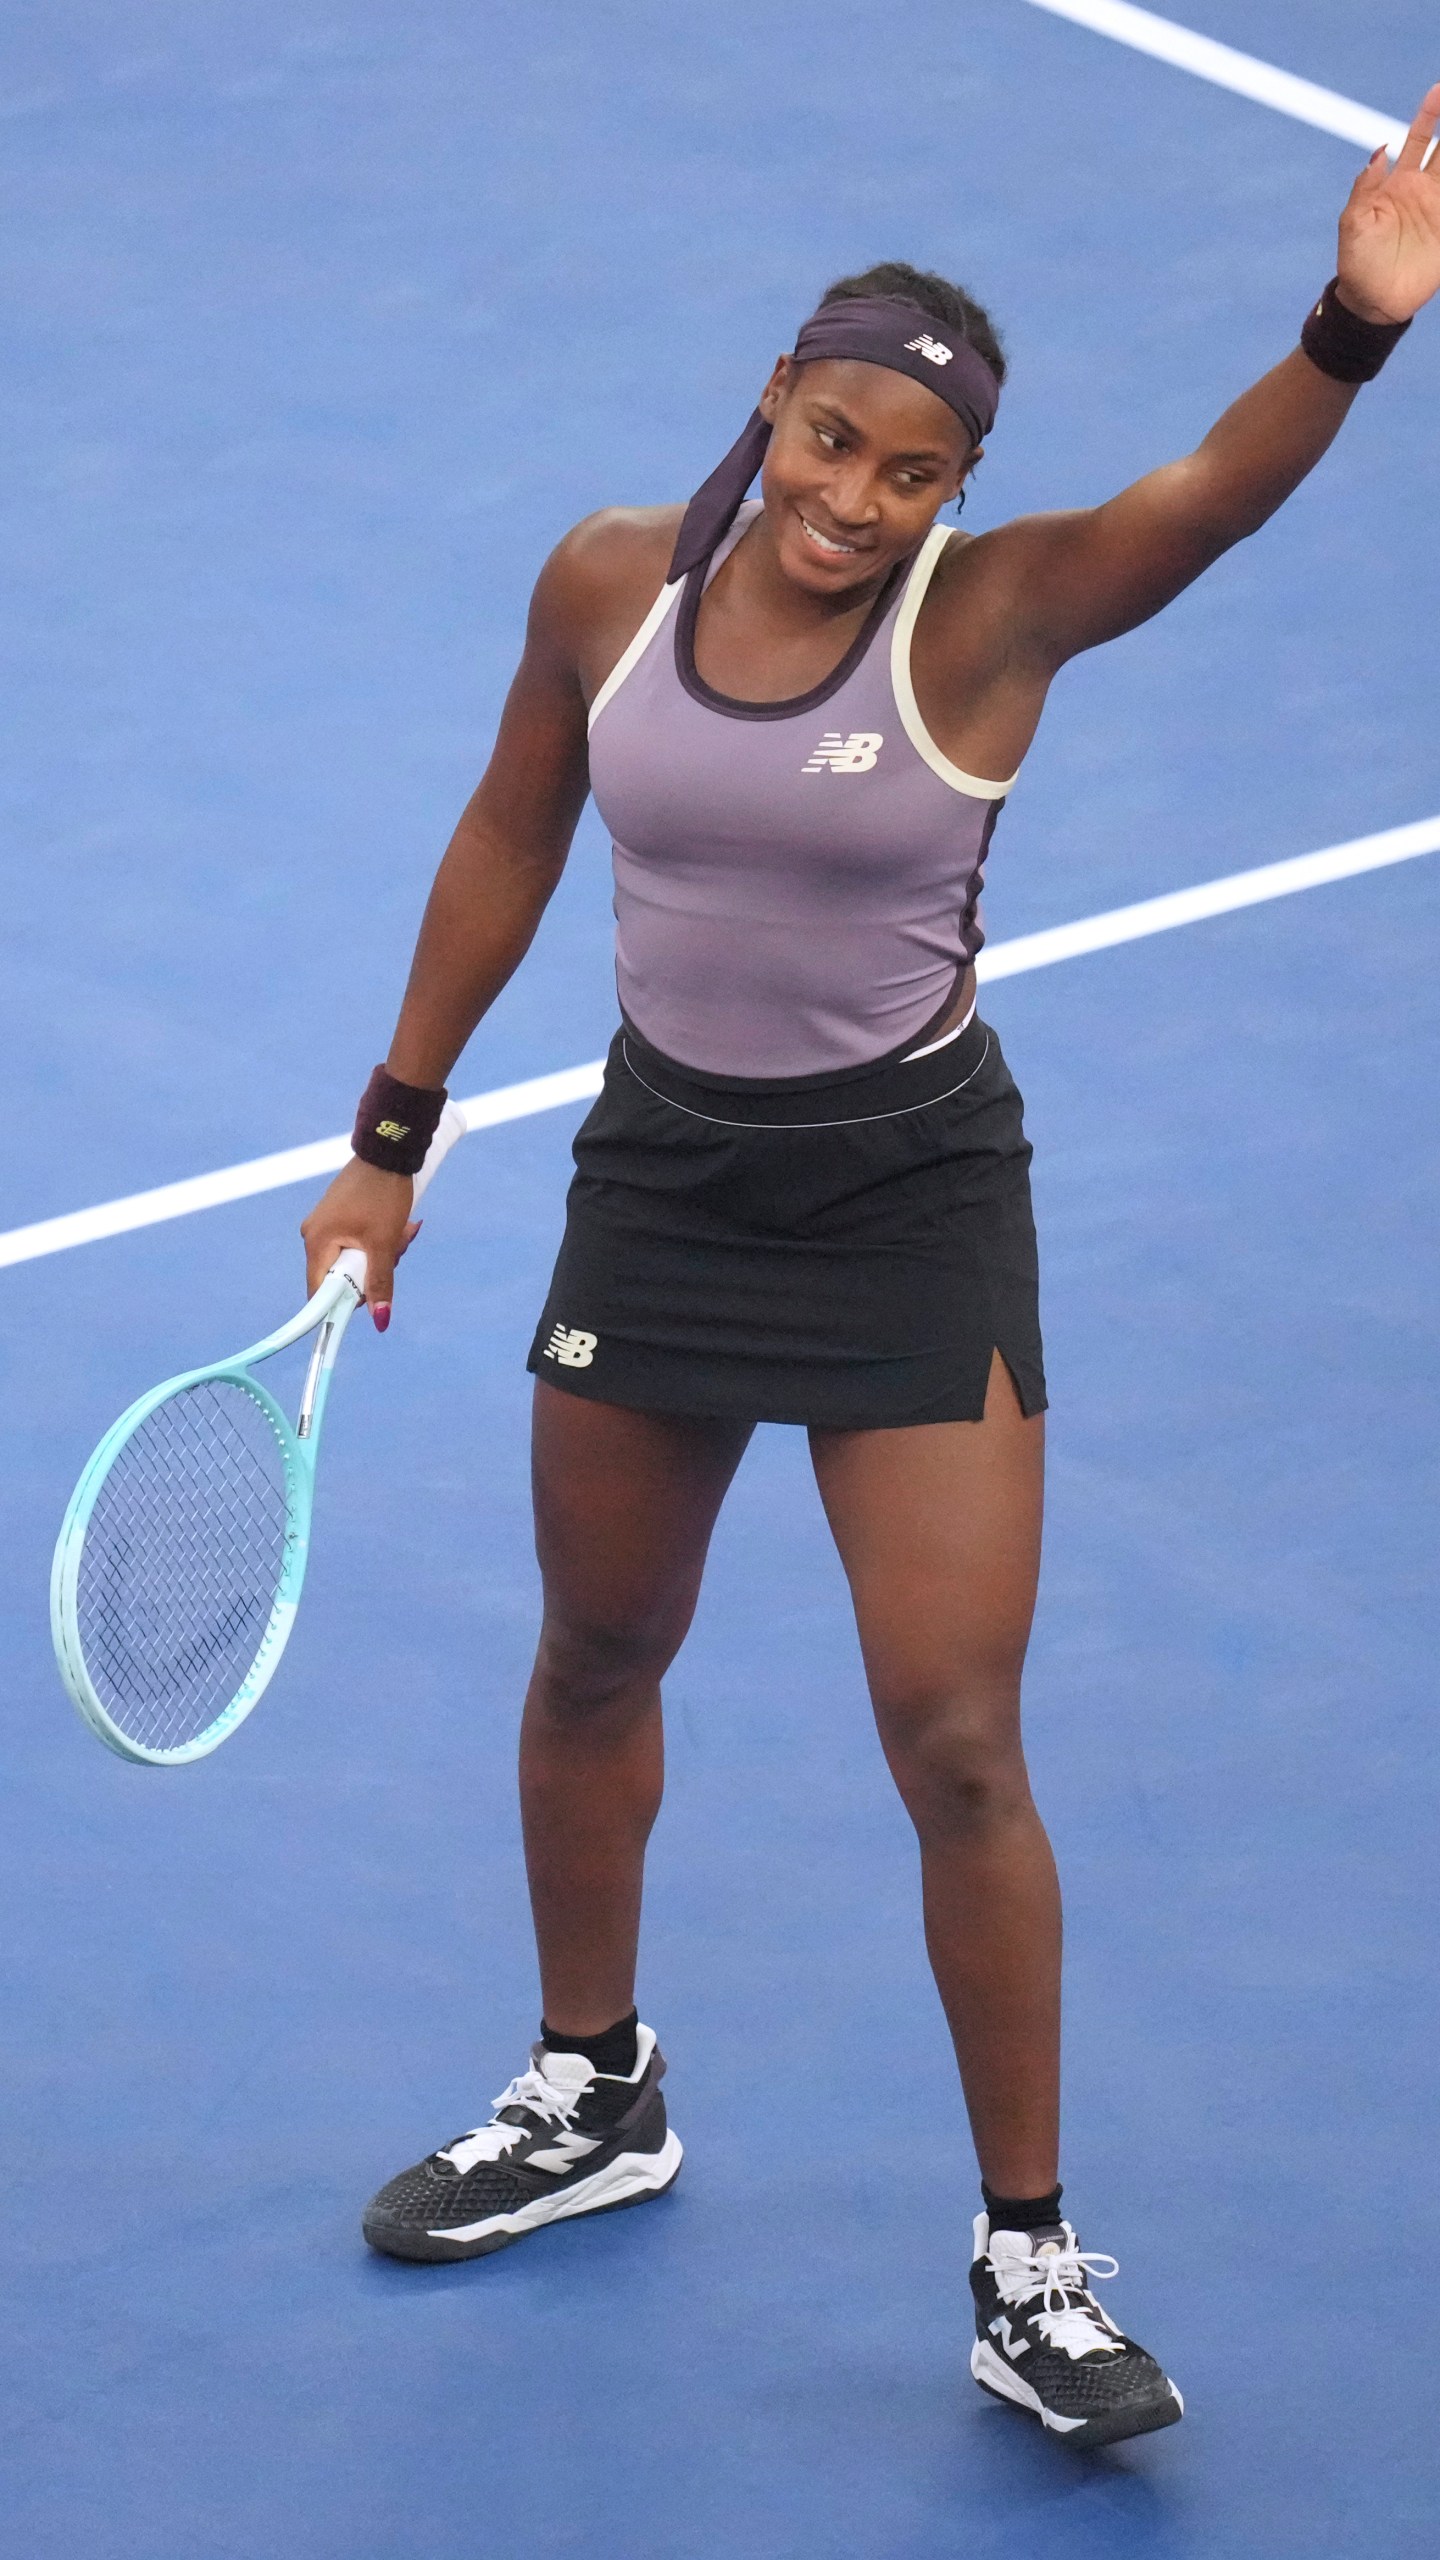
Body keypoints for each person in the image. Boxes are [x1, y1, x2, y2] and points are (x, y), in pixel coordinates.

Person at [301, 92, 1440, 2448]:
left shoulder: (999, 615)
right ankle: (592, 2083)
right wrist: (386, 1142)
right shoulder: (607, 582)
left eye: (905, 472)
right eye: (832, 438)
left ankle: (1027, 2251)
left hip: (913, 1201)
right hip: (665, 1181)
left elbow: (1194, 504)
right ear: (775, 405)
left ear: (945, 493)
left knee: (954, 1734)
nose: (852, 497)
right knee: (599, 1649)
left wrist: (1351, 325)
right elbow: (514, 825)